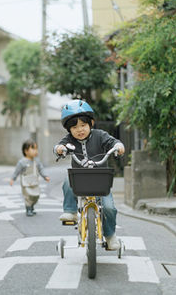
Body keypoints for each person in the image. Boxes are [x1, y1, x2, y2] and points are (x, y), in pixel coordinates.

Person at [54, 99, 125, 250]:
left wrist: (118, 146)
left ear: (91, 123)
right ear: (69, 130)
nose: (79, 129)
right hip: (79, 181)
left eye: (83, 125)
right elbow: (58, 146)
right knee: (67, 181)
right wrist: (60, 149)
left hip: (101, 181)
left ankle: (110, 235)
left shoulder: (100, 135)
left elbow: (113, 142)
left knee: (109, 208)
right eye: (74, 127)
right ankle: (70, 211)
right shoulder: (69, 140)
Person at [10, 139, 50, 216]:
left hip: (35, 182)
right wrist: (13, 179)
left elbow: (41, 169)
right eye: (33, 149)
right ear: (26, 151)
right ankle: (28, 209)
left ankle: (32, 206)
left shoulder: (37, 161)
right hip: (26, 183)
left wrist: (45, 176)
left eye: (36, 149)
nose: (35, 151)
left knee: (35, 195)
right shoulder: (22, 162)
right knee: (28, 196)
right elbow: (17, 171)